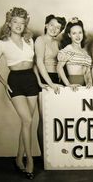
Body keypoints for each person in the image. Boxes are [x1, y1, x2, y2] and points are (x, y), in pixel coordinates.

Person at [0, 7, 41, 179]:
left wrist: (39, 81)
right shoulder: (1, 42)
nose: (19, 25)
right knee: (27, 120)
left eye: (22, 22)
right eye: (15, 22)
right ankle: (30, 161)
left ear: (25, 23)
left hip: (31, 81)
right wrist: (4, 84)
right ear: (9, 23)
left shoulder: (29, 39)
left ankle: (19, 158)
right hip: (15, 82)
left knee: (26, 123)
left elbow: (33, 64)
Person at [35, 14, 66, 157]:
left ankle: (55, 154)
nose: (54, 29)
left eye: (58, 27)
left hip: (56, 78)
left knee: (57, 117)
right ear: (46, 25)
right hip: (46, 77)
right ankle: (44, 155)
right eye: (52, 25)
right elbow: (39, 63)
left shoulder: (57, 43)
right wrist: (49, 83)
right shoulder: (40, 40)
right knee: (44, 118)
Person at [57, 17, 92, 91]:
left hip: (83, 86)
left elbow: (87, 72)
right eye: (74, 33)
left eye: (80, 32)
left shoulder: (85, 52)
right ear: (69, 35)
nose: (78, 36)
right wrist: (68, 85)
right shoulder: (68, 49)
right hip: (72, 85)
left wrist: (89, 82)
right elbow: (59, 67)